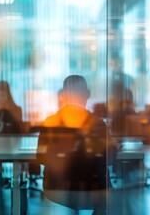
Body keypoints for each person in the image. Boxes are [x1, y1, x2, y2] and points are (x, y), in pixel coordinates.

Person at [37, 75, 111, 214]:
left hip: (56, 189)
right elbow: (110, 158)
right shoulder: (98, 124)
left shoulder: (50, 122)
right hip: (91, 190)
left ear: (63, 95)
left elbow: (41, 158)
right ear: (87, 94)